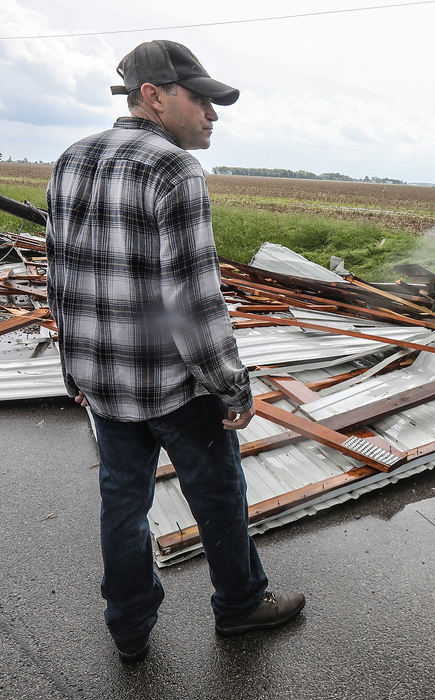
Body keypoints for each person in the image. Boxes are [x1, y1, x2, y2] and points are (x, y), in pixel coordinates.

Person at [45, 39, 304, 663]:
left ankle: (129, 628)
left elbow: (59, 274)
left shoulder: (71, 158)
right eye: (202, 100)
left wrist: (71, 367)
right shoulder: (173, 169)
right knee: (218, 493)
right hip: (172, 383)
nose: (213, 115)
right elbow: (191, 299)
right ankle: (240, 606)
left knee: (123, 503)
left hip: (103, 381)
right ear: (154, 97)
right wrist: (231, 384)